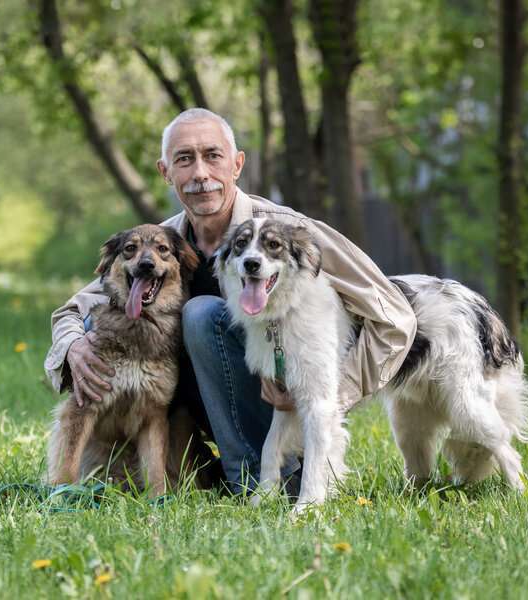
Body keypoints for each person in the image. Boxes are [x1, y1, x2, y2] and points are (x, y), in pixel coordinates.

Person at [44, 108, 417, 493]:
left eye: (213, 155)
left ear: (237, 165)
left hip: (281, 408)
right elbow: (75, 309)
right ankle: (171, 470)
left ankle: (261, 478)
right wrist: (72, 346)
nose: (201, 174)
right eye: (184, 160)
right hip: (201, 407)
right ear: (165, 172)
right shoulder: (165, 243)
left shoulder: (288, 233)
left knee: (201, 314)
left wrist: (334, 394)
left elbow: (396, 316)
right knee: (97, 323)